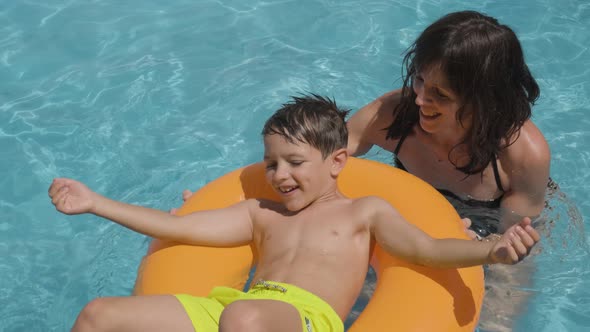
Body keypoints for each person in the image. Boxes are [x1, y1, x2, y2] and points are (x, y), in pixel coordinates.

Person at [49, 94, 540, 332]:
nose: (280, 175)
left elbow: (428, 248)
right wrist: (95, 203)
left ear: (337, 161)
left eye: (295, 163)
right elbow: (176, 227)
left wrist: (491, 251)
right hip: (231, 313)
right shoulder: (261, 214)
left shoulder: (363, 213)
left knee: (244, 318)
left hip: (301, 320)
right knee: (99, 314)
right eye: (271, 163)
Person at [345, 10, 551, 331]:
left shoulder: (522, 155)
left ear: (483, 99)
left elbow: (511, 254)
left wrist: (483, 248)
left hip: (487, 227)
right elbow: (320, 164)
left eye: (440, 95)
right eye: (420, 80)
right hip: (414, 220)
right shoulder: (393, 116)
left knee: (494, 322)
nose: (420, 100)